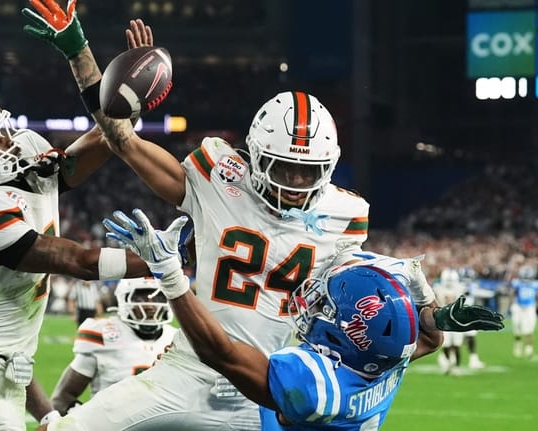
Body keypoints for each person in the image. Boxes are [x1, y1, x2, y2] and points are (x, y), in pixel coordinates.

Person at [22, 4, 440, 429]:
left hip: (264, 384)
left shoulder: (343, 216)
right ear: (256, 156)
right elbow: (121, 139)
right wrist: (80, 51)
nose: (295, 182)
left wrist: (429, 311)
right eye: (284, 168)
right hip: (186, 371)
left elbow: (370, 310)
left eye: (308, 172)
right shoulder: (218, 177)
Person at [103, 208, 505, 430]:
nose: (315, 306)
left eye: (326, 306)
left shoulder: (314, 384)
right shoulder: (387, 358)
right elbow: (428, 339)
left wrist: (170, 276)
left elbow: (219, 352)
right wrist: (438, 314)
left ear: (347, 331)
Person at [0, 94, 157, 430]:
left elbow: (104, 138)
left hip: (12, 376)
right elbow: (78, 262)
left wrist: (129, 100)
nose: (9, 140)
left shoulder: (26, 177)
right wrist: (167, 256)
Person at [51, 277, 177, 415]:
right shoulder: (104, 334)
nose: (150, 305)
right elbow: (62, 399)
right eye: (141, 297)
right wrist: (90, 423)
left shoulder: (177, 339)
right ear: (124, 299)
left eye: (157, 297)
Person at [433, 268, 467, 375]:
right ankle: (448, 362)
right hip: (445, 320)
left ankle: (456, 366)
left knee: (456, 344)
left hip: (456, 320)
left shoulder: (460, 287)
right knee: (446, 344)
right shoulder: (438, 288)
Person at [509, 264, 538, 359]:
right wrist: (512, 303)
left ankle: (528, 348)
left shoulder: (535, 284)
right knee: (517, 326)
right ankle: (518, 342)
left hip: (530, 307)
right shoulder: (517, 282)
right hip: (518, 306)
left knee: (529, 328)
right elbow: (512, 293)